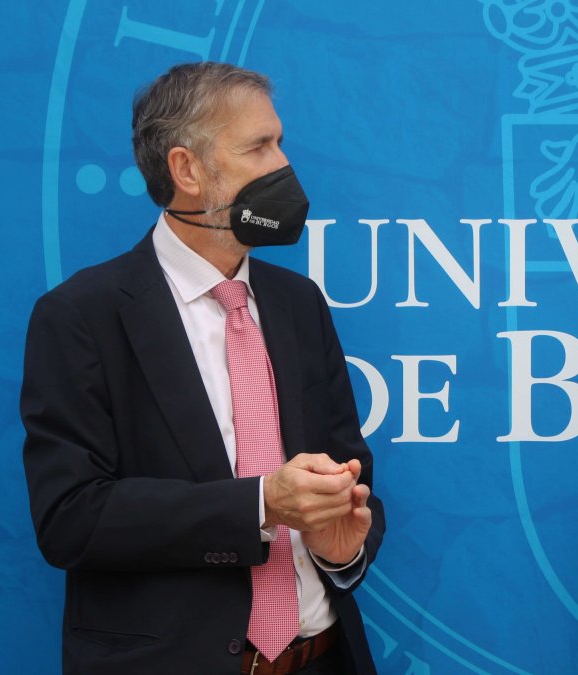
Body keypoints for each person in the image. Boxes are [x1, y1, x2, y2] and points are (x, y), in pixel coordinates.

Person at [21, 62, 385, 675]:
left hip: (323, 659)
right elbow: (70, 519)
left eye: (280, 143)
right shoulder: (82, 315)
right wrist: (260, 505)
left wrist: (339, 551)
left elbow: (353, 473)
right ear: (186, 170)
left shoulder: (298, 303)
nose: (283, 166)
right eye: (259, 147)